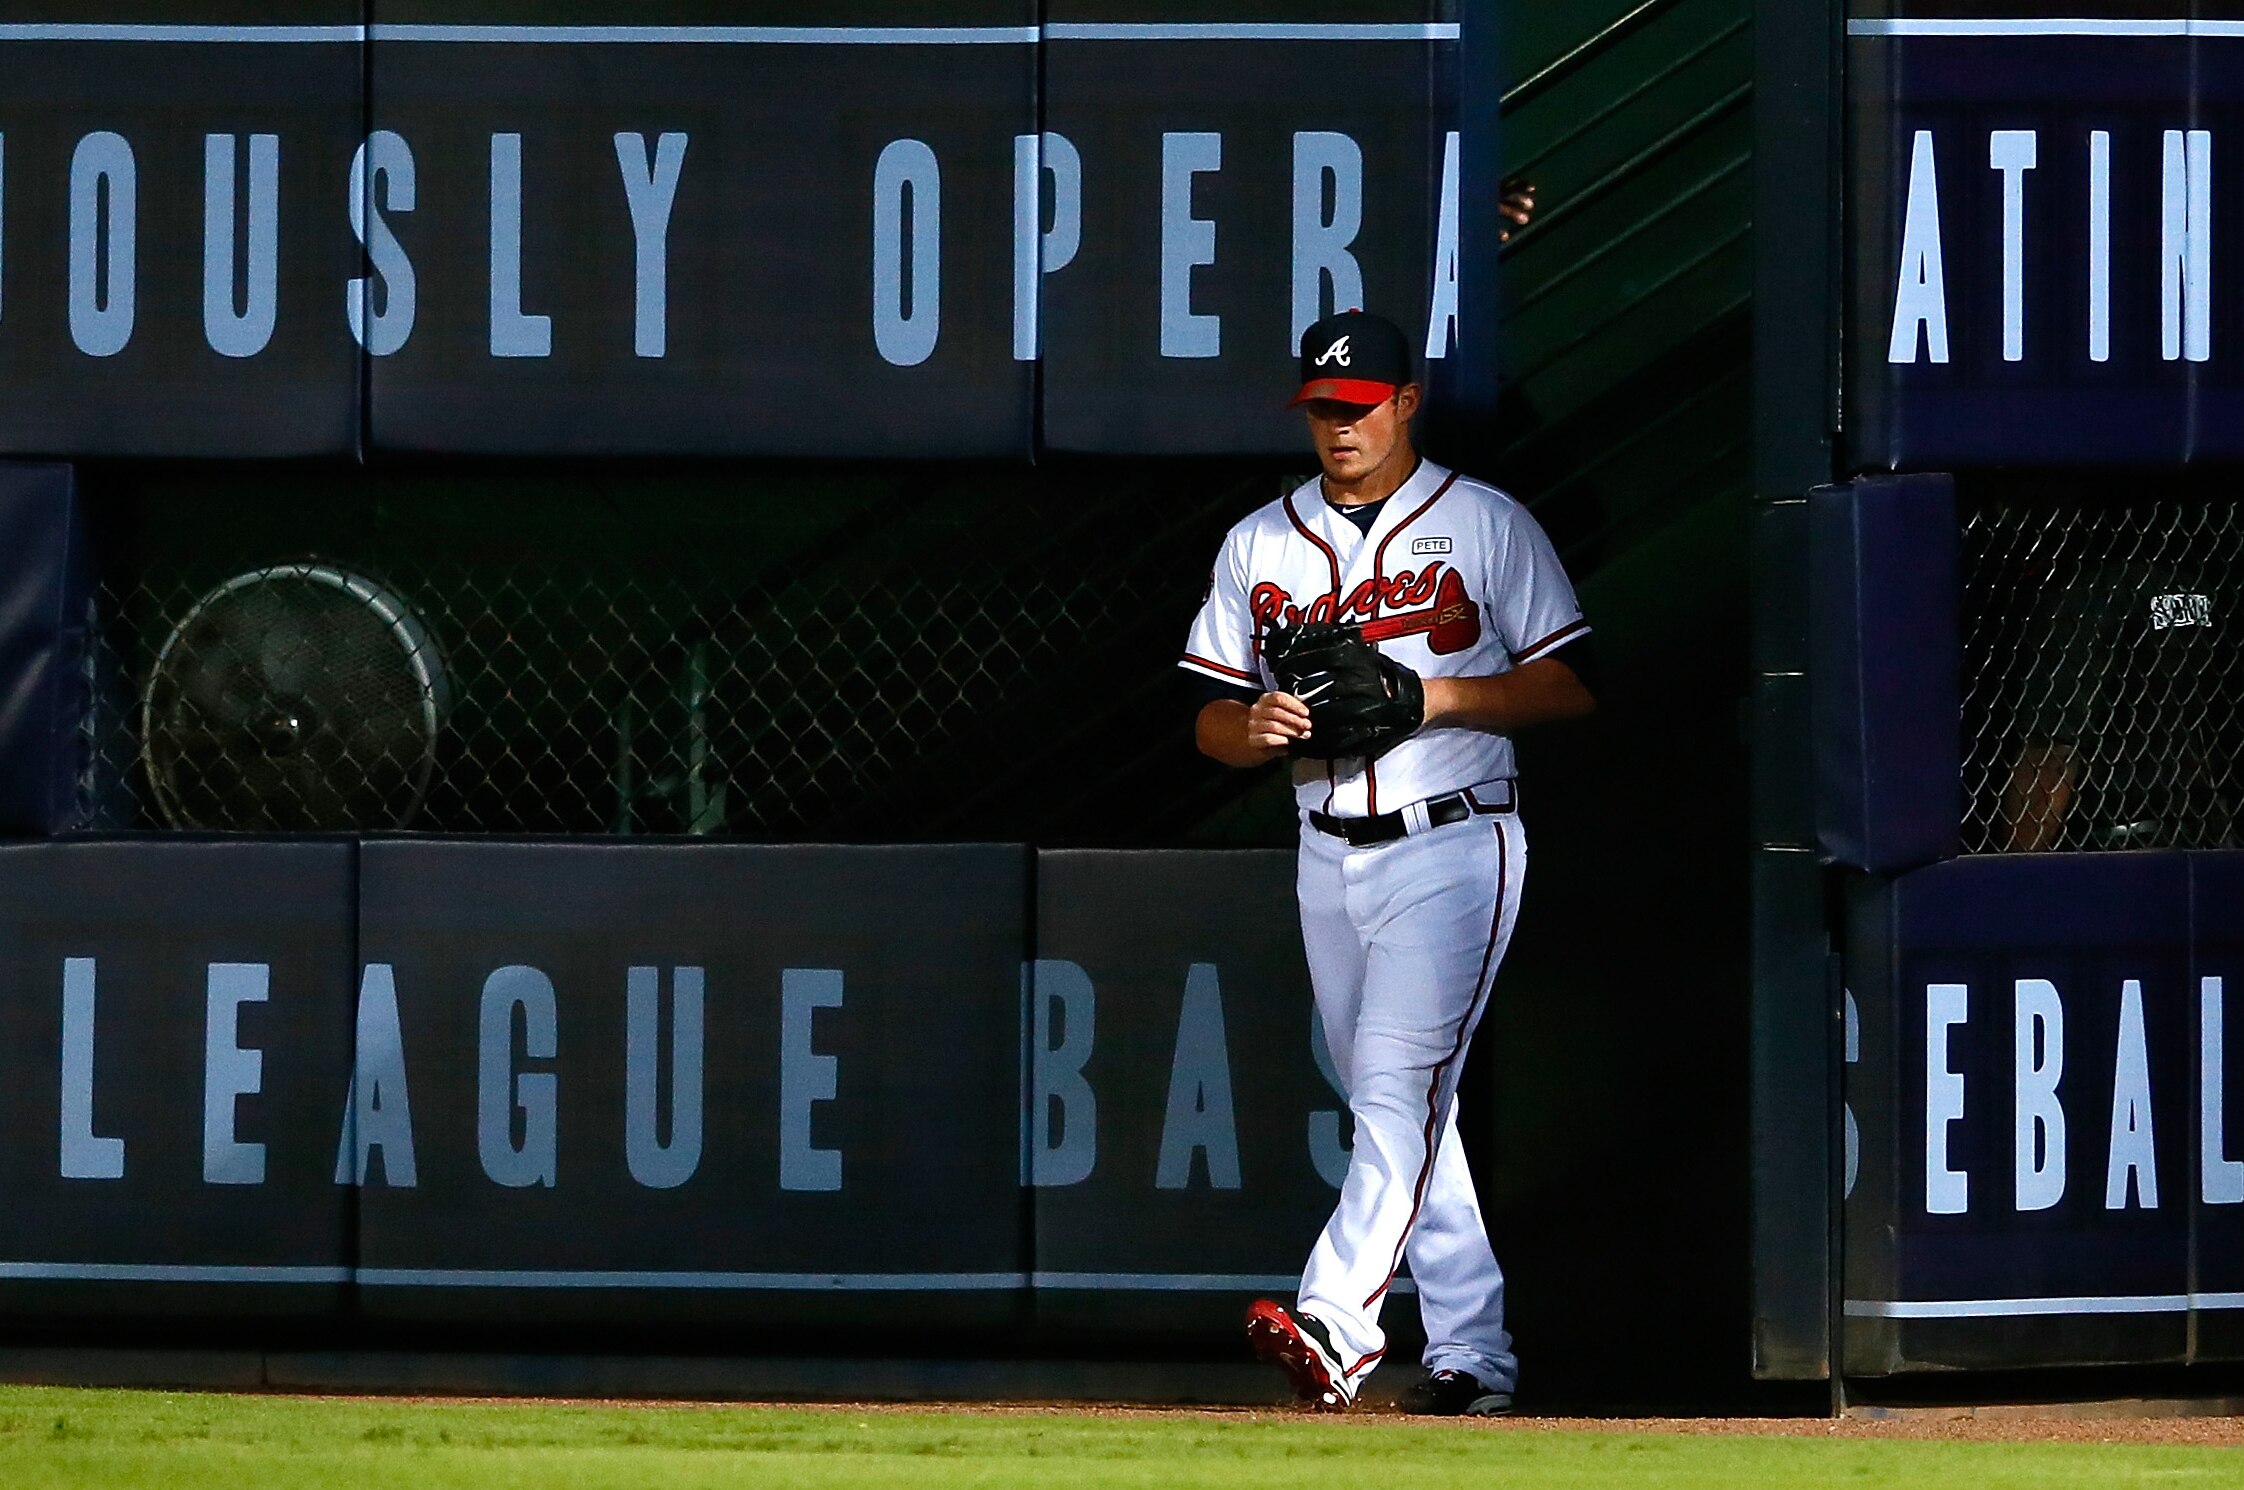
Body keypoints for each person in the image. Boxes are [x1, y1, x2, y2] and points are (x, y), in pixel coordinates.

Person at [1179, 310, 1595, 1414]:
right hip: (1325, 849)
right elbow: (1208, 718)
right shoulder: (1259, 542)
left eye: (1359, 406)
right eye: (1323, 408)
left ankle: (1337, 1323)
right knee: (1404, 1105)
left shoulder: (1486, 523)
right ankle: (1473, 1357)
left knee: (1398, 1085)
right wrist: (1253, 729)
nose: (1340, 426)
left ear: (1406, 402)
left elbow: (1568, 687)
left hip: (1453, 839)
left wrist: (1433, 695)